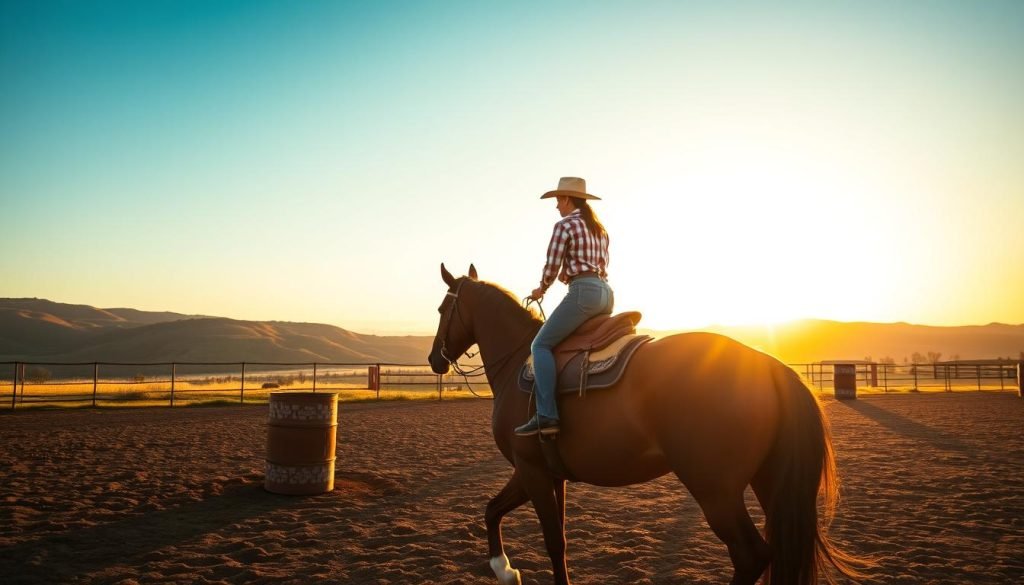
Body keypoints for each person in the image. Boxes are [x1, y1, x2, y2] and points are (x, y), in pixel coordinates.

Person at [514, 177, 614, 437]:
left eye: (558, 200)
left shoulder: (564, 225)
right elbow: (601, 267)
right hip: (605, 293)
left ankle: (547, 414)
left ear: (568, 199)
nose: (556, 206)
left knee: (540, 345)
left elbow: (552, 266)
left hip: (584, 294)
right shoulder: (600, 229)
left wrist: (542, 288)